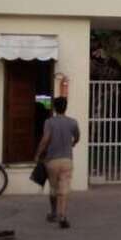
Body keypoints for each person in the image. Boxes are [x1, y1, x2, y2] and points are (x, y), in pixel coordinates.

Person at [33, 97, 80, 229]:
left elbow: (45, 139)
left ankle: (53, 212)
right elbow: (77, 137)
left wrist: (37, 154)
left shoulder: (49, 122)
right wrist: (73, 143)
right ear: (66, 107)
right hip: (67, 160)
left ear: (54, 108)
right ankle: (63, 216)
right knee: (64, 189)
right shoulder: (72, 122)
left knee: (53, 189)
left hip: (52, 161)